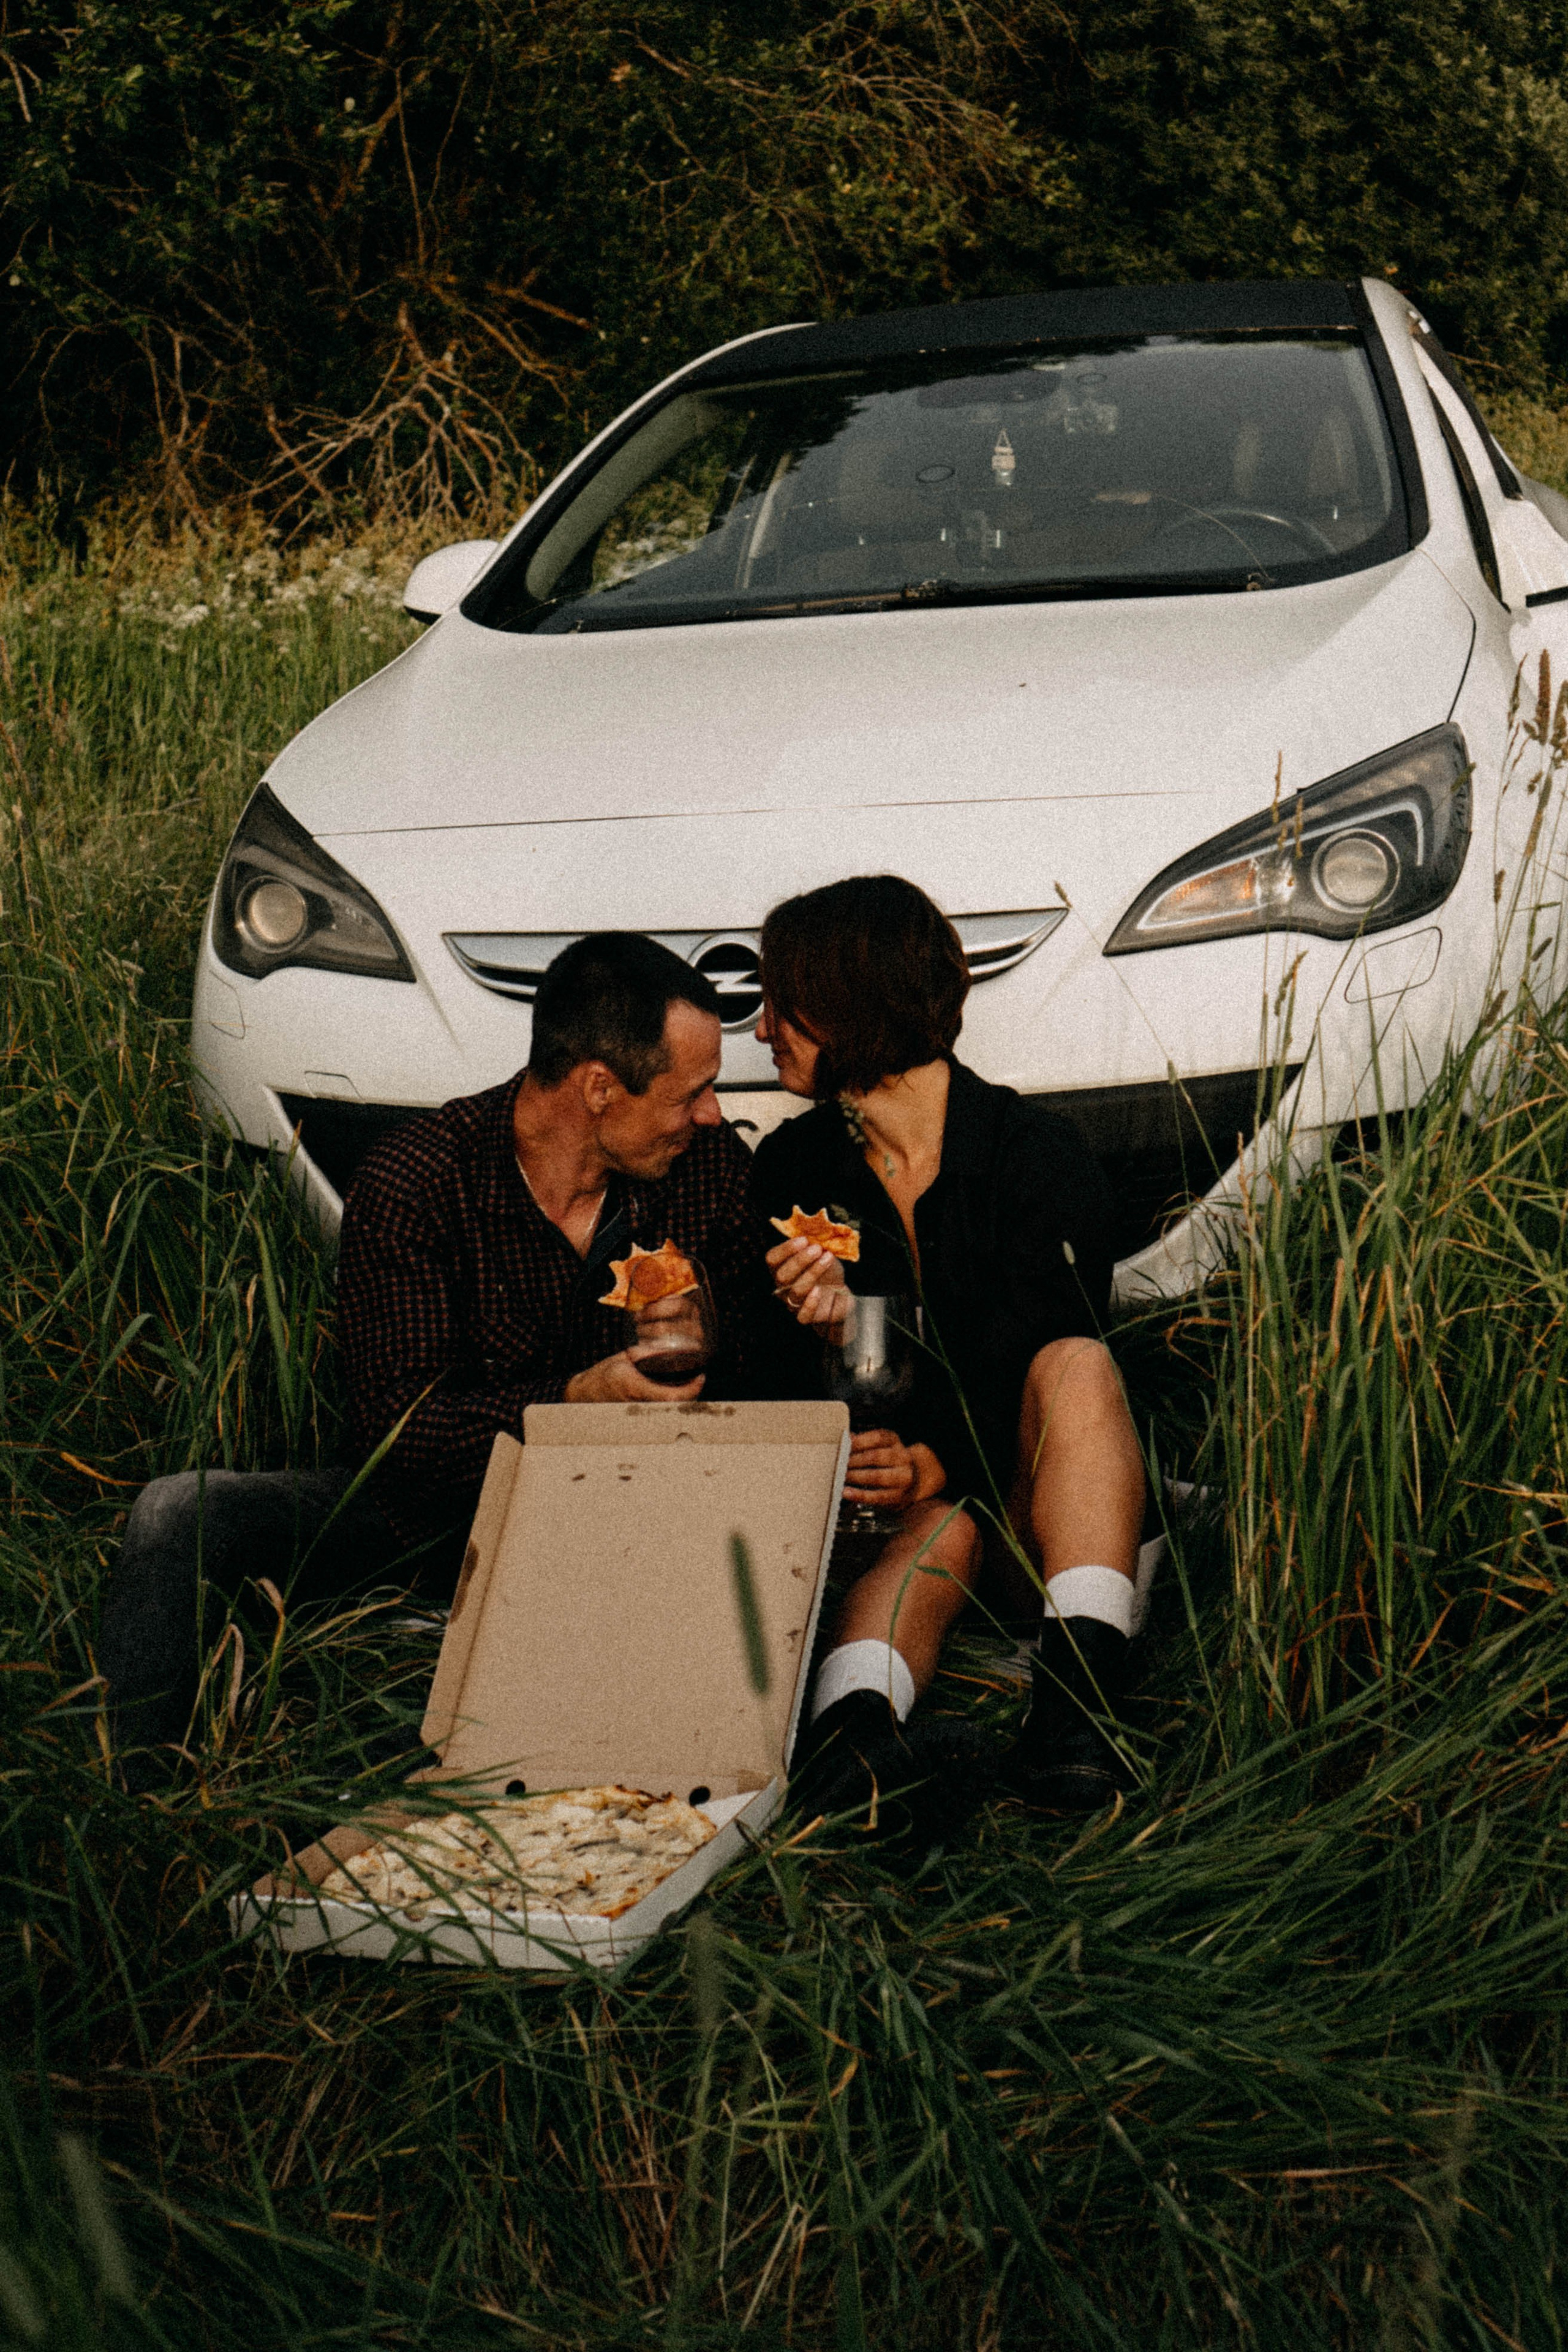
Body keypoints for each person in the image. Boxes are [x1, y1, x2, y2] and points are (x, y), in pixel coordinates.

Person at [98, 933, 764, 1767]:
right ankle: (140, 1800)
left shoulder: (704, 1169)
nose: (710, 1113)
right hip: (427, 1518)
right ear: (600, 1087)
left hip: (627, 1514)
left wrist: (813, 1304)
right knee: (179, 1513)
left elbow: (758, 1360)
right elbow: (398, 1434)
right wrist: (571, 1403)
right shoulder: (419, 1180)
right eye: (692, 1092)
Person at [750, 875, 1148, 1831]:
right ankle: (856, 1743)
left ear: (847, 1000)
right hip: (917, 1525)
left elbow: (1037, 1365)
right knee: (935, 1521)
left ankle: (1076, 1719)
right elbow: (771, 1383)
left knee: (1077, 1365)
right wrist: (839, 1381)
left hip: (1048, 1515)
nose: (762, 1032)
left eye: (779, 1003)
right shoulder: (794, 1171)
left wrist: (936, 1453)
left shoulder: (1035, 1156)